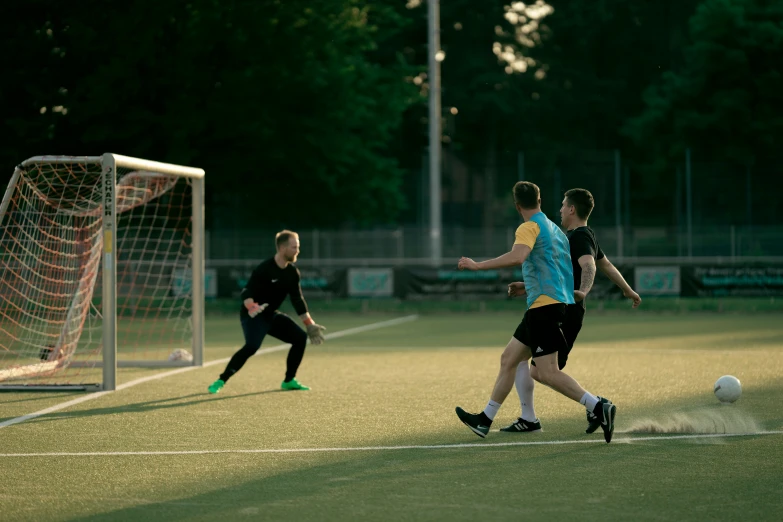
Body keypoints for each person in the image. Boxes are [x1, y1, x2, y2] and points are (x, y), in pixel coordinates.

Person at [454, 182, 617, 443]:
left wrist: (477, 266)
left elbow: (518, 256)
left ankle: (598, 406)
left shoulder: (529, 227)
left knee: (546, 372)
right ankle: (485, 419)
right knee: (509, 358)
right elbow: (560, 269)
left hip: (545, 307)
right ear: (539, 200)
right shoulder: (554, 229)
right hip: (546, 304)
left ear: (517, 206)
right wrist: (528, 287)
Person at [501, 188, 641, 435]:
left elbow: (589, 266)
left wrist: (583, 291)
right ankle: (533, 417)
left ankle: (597, 406)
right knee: (527, 364)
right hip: (557, 305)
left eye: (564, 205)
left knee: (544, 371)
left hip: (564, 310)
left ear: (572, 209)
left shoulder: (578, 238)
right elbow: (605, 264)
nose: (561, 210)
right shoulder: (584, 235)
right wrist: (628, 290)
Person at [208, 230, 326, 394]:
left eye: (297, 247)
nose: (297, 251)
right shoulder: (264, 269)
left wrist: (309, 324)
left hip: (271, 315)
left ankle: (289, 380)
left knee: (300, 338)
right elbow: (246, 292)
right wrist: (251, 306)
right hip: (253, 315)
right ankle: (221, 380)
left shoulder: (292, 273)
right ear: (282, 248)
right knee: (252, 346)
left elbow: (297, 300)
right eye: (294, 247)